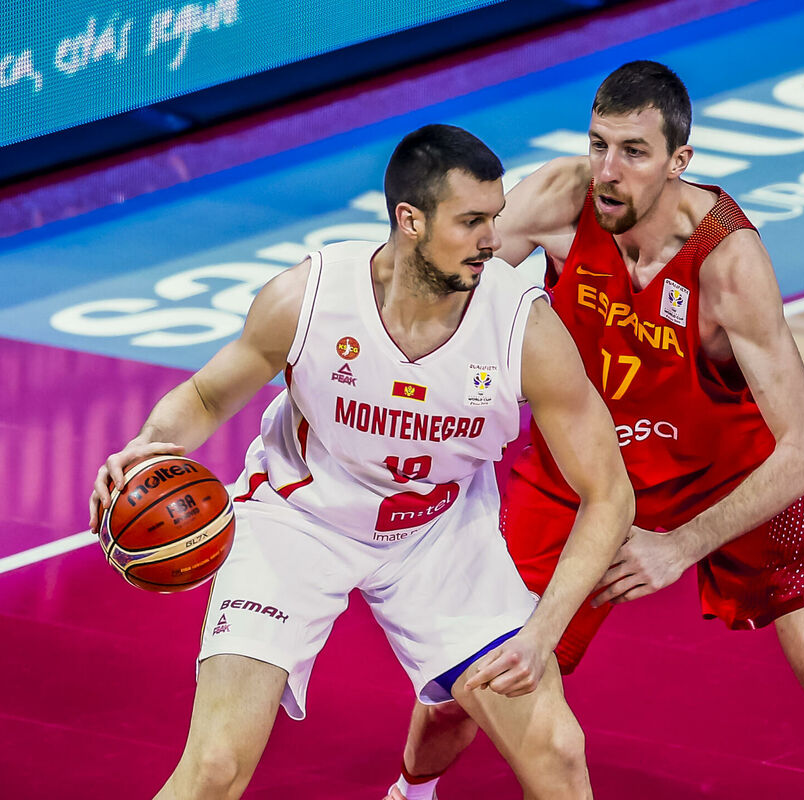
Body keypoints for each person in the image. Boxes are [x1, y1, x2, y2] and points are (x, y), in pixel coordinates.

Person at [388, 63, 804, 800]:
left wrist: (680, 545)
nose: (608, 171)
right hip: (585, 470)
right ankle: (409, 794)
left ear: (679, 161)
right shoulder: (560, 200)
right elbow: (445, 280)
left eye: (634, 152)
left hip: (727, 474)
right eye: (599, 144)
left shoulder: (728, 262)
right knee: (477, 670)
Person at [88, 123, 634, 800]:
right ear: (411, 220)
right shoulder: (308, 299)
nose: (493, 241)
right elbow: (205, 396)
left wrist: (542, 631)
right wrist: (150, 441)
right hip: (299, 520)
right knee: (216, 767)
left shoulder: (525, 329)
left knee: (557, 753)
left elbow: (610, 493)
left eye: (494, 218)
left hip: (439, 533)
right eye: (470, 222)